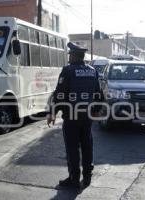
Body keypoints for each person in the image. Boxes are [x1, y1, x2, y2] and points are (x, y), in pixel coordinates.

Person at [47, 42, 103, 189]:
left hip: (72, 116)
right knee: (87, 146)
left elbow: (59, 94)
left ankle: (74, 179)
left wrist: (52, 112)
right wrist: (96, 110)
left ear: (73, 56)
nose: (69, 58)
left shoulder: (68, 70)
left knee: (72, 148)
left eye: (70, 55)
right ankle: (87, 177)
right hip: (87, 117)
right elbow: (99, 94)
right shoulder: (92, 71)